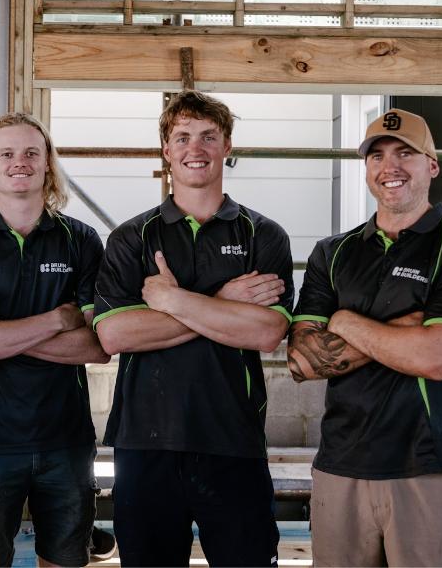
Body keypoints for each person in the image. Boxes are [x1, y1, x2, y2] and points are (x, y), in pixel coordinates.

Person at [287, 108, 442, 567]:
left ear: (433, 165)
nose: (391, 167)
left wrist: (345, 322)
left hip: (428, 468)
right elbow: (303, 362)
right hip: (339, 469)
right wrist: (407, 328)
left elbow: (438, 356)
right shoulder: (333, 252)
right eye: (377, 155)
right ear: (366, 168)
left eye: (406, 153)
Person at [93, 90, 293, 567]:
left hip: (233, 438)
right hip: (145, 442)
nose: (195, 148)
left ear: (227, 146)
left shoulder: (262, 235)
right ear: (166, 149)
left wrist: (172, 300)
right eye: (182, 137)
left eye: (208, 136)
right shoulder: (131, 237)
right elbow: (114, 336)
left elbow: (266, 333)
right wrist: (223, 304)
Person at [0, 113, 109, 567]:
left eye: (32, 153)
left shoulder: (82, 241)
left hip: (67, 444)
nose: (21, 162)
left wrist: (4, 334)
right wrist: (58, 318)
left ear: (48, 163)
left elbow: (98, 345)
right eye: (8, 153)